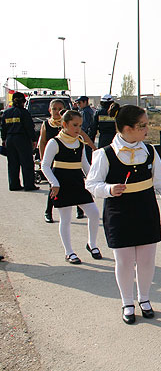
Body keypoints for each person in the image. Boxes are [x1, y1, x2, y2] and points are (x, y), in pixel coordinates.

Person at [86, 104, 161, 324]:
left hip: (146, 209)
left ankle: (144, 298)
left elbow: (160, 182)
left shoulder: (149, 151)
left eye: (146, 125)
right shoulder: (104, 154)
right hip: (119, 211)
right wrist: (109, 189)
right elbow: (92, 184)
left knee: (147, 259)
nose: (146, 130)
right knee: (124, 261)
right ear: (126, 128)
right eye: (142, 126)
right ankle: (127, 302)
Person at [41, 110, 102, 264]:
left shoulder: (80, 141)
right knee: (66, 218)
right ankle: (69, 252)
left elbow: (85, 165)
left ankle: (92, 244)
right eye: (74, 125)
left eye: (80, 125)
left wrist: (93, 181)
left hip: (77, 182)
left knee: (94, 213)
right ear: (64, 124)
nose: (78, 128)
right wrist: (54, 183)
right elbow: (45, 166)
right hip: (61, 183)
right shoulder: (54, 142)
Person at [38, 100, 96, 223]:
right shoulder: (47, 124)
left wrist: (94, 148)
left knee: (77, 185)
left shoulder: (72, 123)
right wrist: (42, 158)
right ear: (50, 110)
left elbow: (84, 137)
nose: (57, 111)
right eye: (54, 109)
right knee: (54, 188)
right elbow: (42, 142)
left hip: (72, 159)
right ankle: (48, 211)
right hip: (55, 161)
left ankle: (79, 210)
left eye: (60, 108)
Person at [0, 92, 38, 191]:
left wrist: (4, 139)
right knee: (27, 163)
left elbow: (3, 128)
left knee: (13, 163)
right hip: (22, 139)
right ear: (23, 102)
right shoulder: (24, 113)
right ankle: (29, 185)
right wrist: (34, 140)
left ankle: (14, 185)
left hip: (10, 140)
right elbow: (29, 127)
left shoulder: (6, 113)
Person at [76, 96, 95, 164]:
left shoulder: (85, 112)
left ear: (85, 102)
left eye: (79, 103)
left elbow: (84, 125)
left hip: (86, 135)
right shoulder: (88, 110)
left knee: (86, 155)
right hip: (89, 134)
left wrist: (79, 132)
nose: (78, 104)